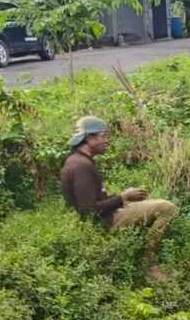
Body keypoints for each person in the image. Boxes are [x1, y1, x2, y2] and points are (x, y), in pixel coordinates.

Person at [59, 116, 178, 280]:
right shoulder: (81, 166)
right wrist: (123, 197)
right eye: (104, 136)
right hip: (104, 222)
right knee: (167, 208)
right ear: (89, 138)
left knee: (151, 204)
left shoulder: (76, 161)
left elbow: (92, 202)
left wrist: (124, 198)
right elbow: (88, 211)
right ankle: (148, 264)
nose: (107, 141)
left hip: (103, 217)